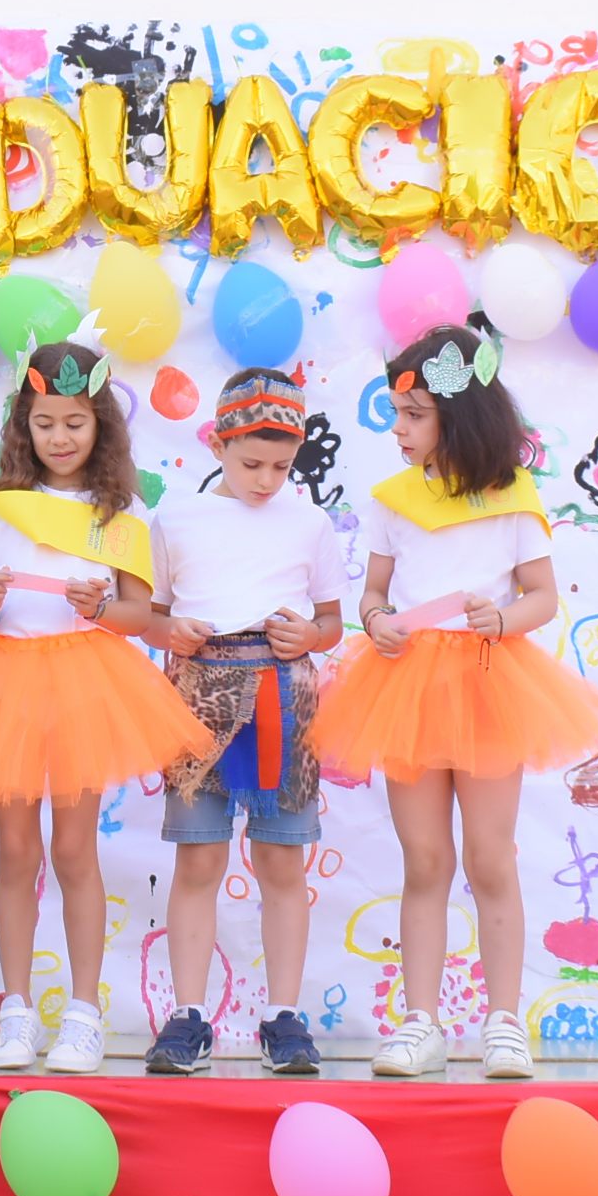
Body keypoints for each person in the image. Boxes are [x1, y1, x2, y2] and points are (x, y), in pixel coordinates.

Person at [309, 317, 598, 1083]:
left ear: (462, 413)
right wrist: (376, 621)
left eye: (414, 415)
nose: (402, 431)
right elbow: (374, 592)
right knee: (424, 859)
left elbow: (541, 597)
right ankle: (422, 1022)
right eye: (397, 415)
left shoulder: (512, 496)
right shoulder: (391, 500)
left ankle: (504, 1022)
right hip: (407, 683)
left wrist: (500, 619)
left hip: (488, 679)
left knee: (490, 858)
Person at [0, 338, 208, 1075]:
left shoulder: (119, 508)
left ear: (100, 423)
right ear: (25, 423)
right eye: (45, 422)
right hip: (8, 683)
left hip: (84, 683)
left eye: (75, 423)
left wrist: (103, 605)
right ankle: (16, 1010)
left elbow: (140, 618)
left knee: (75, 850)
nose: (60, 437)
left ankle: (84, 1012)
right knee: (15, 852)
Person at [140, 369, 345, 1076]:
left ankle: (282, 1016)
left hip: (282, 696)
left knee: (282, 860)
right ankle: (188, 1015)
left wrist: (310, 639)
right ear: (218, 442)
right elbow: (157, 612)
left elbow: (330, 620)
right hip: (199, 695)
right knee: (198, 859)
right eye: (251, 462)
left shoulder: (310, 521)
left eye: (282, 466)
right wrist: (175, 631)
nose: (267, 479)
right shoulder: (174, 520)